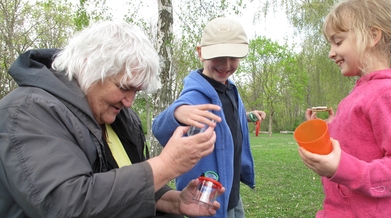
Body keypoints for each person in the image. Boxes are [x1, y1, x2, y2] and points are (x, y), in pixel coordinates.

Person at [0, 20, 226, 218]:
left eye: (136, 91)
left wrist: (173, 201)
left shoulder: (120, 116)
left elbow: (125, 179)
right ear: (90, 68)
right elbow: (66, 206)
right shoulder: (26, 111)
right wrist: (166, 165)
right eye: (124, 87)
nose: (129, 101)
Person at [298, 0, 391, 217]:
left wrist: (342, 168)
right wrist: (327, 130)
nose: (331, 53)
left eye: (338, 42)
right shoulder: (365, 91)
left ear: (372, 36)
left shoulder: (390, 93)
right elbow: (361, 141)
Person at [152, 17, 266, 218]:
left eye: (233, 57)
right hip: (206, 198)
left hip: (231, 191)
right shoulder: (193, 96)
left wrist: (248, 116)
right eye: (219, 57)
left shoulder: (230, 89)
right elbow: (159, 127)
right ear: (200, 53)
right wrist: (178, 112)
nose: (226, 64)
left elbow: (228, 120)